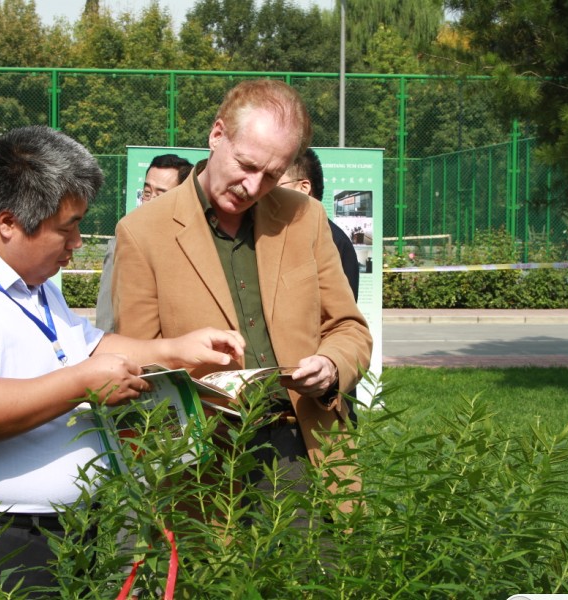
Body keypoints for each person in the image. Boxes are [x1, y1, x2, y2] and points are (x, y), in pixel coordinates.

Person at [0, 125, 244, 599]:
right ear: (10, 222)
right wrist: (81, 384)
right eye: (66, 227)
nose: (77, 241)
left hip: (63, 540)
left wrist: (176, 350)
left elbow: (90, 347)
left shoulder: (33, 284)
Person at [112, 80, 373, 495]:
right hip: (204, 463)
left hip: (307, 448)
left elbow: (349, 329)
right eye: (246, 166)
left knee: (321, 562)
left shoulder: (305, 217)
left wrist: (330, 366)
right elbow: (139, 364)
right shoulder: (143, 233)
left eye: (271, 176)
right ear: (217, 136)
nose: (253, 187)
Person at [95, 153, 193, 331]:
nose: (149, 202)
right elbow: (107, 316)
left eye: (161, 195)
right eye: (147, 193)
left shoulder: (194, 245)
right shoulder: (123, 243)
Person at [277, 148, 360, 300]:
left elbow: (342, 314)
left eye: (275, 183)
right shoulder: (272, 232)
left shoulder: (336, 242)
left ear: (303, 188)